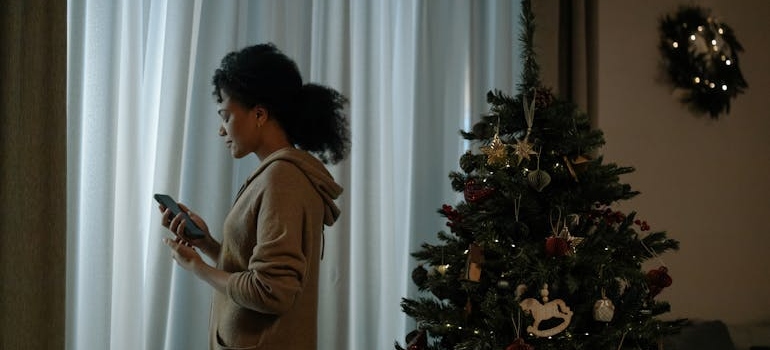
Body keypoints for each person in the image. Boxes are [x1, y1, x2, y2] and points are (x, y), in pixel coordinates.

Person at [158, 43, 350, 350]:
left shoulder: (282, 180)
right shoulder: (276, 175)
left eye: (226, 116)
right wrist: (206, 243)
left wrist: (198, 268)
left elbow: (270, 290)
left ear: (259, 114)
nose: (222, 131)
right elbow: (255, 270)